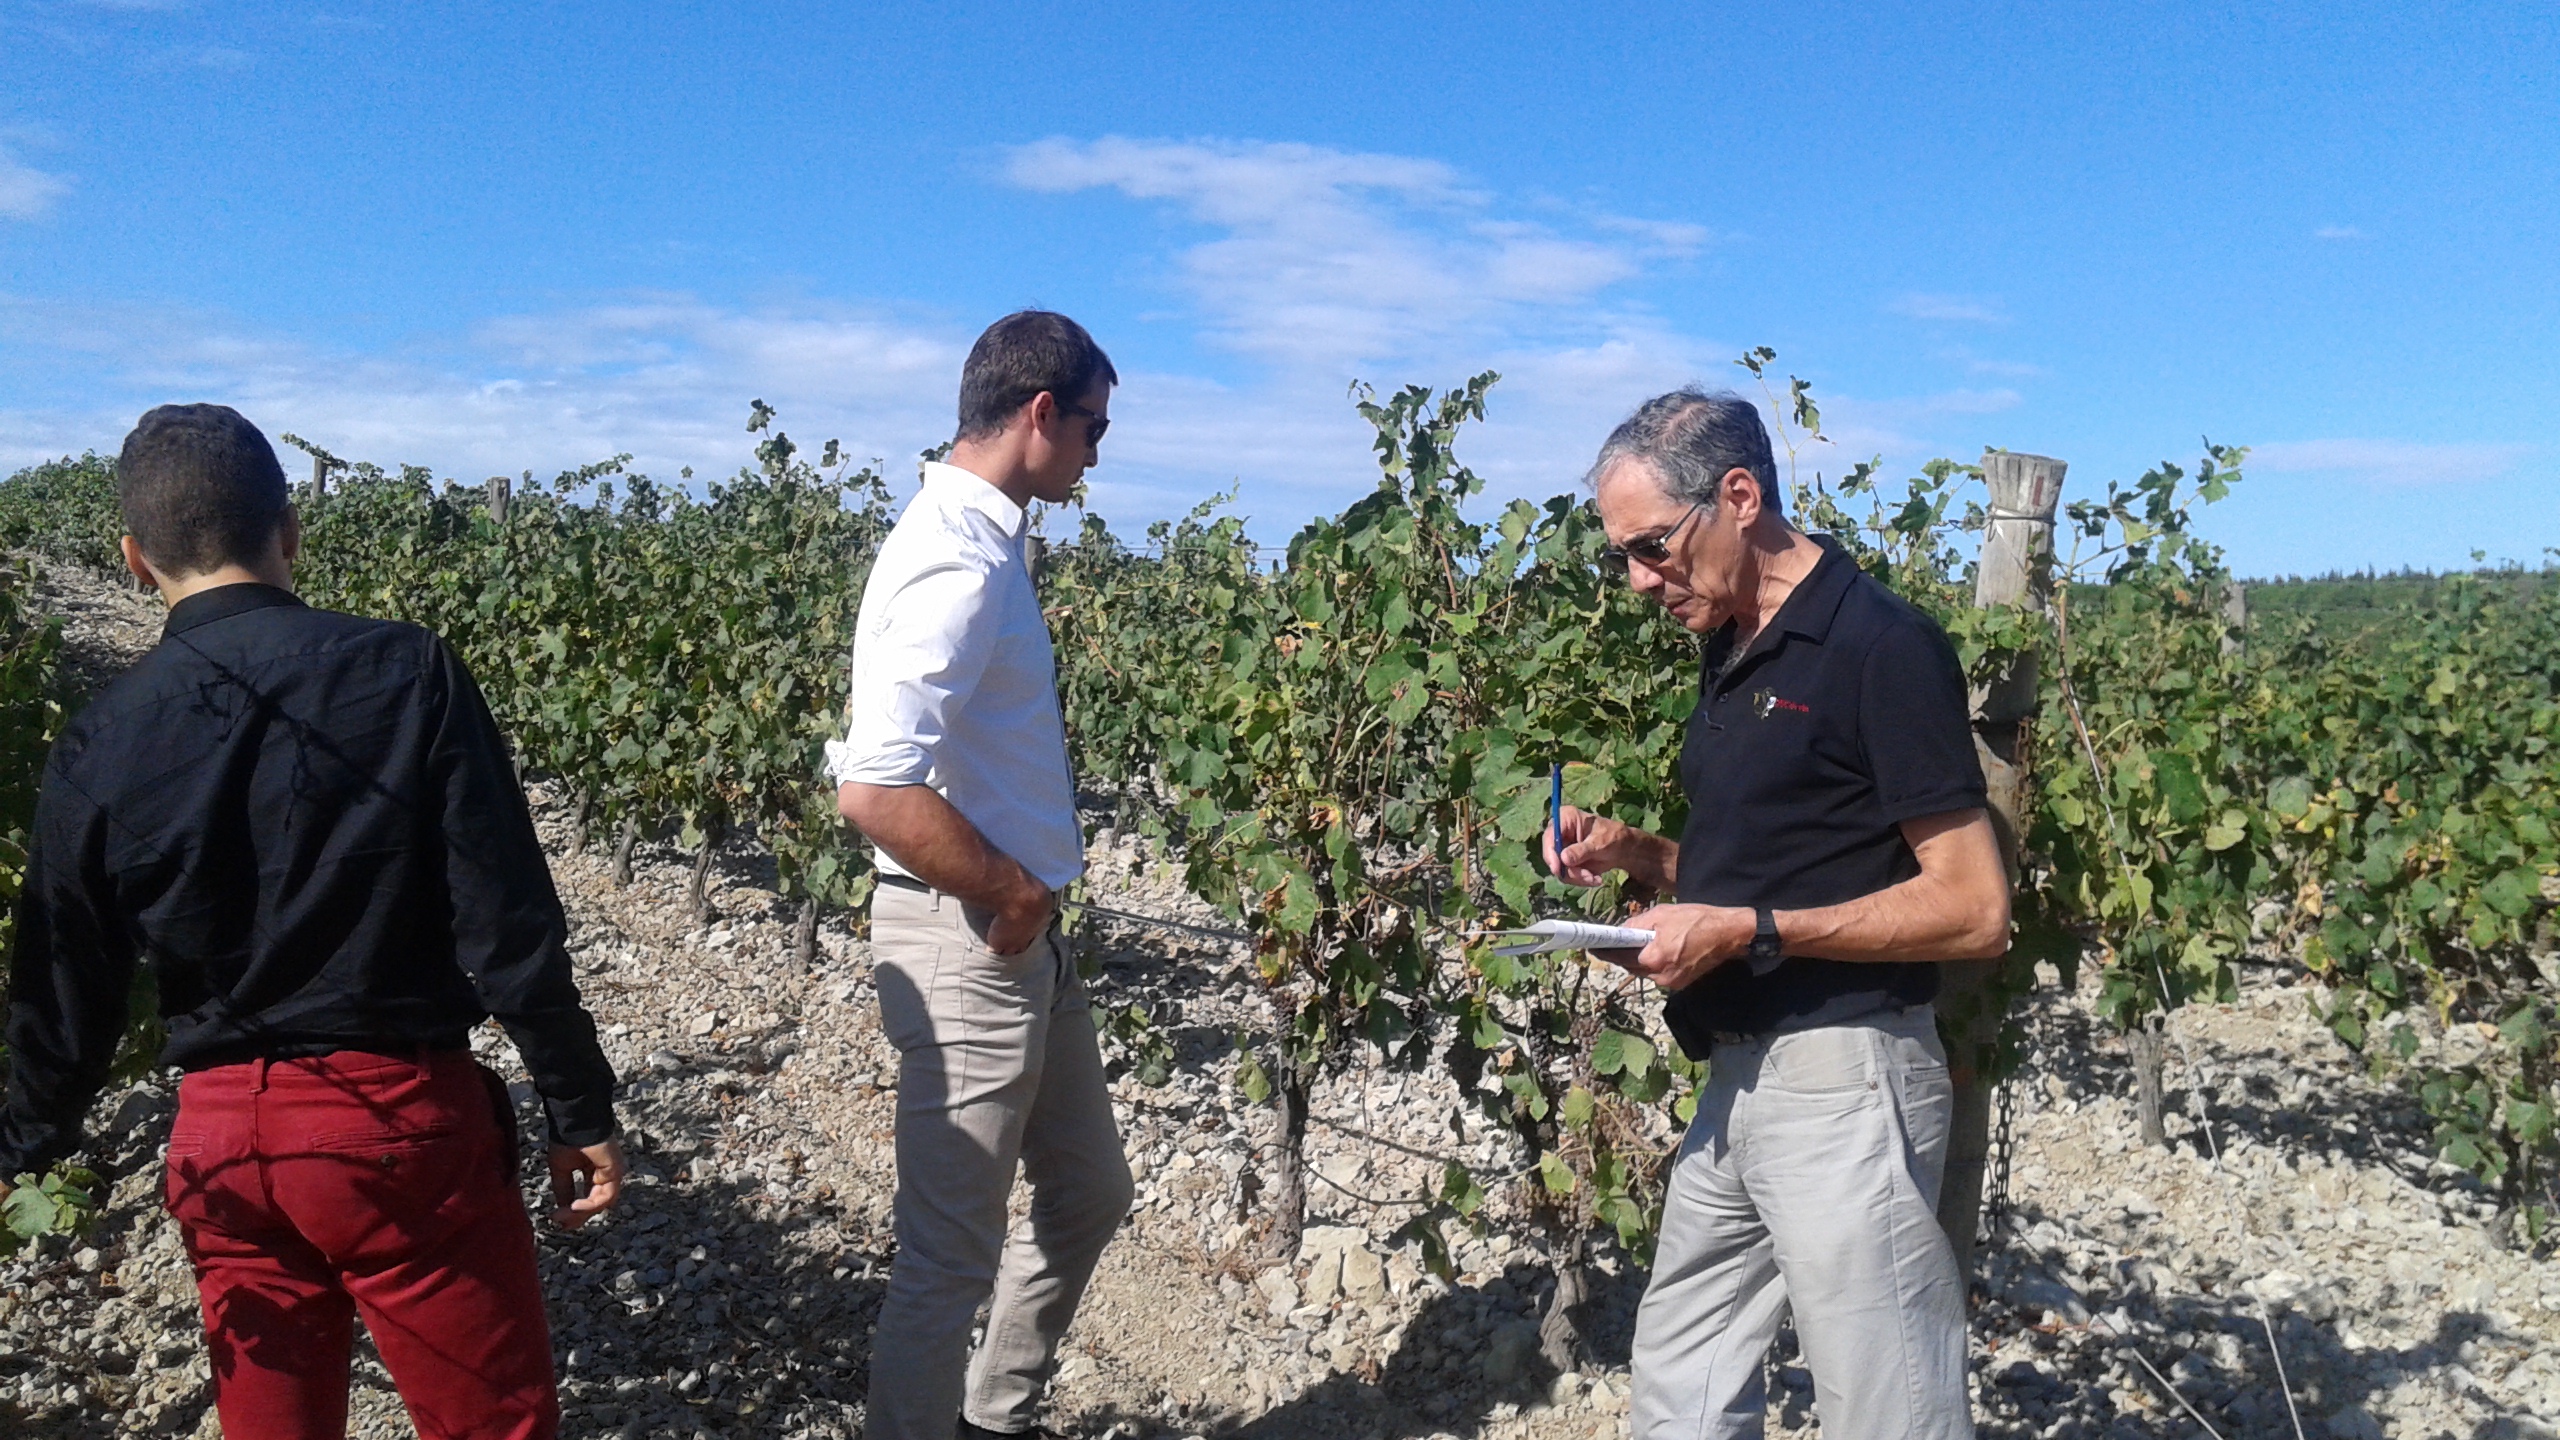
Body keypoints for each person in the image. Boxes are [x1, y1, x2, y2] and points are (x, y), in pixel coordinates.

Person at [0, 404, 624, 1440]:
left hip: (219, 1141)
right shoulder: (409, 671)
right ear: (291, 531)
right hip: (395, 1126)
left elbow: (66, 979)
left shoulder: (99, 737)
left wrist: (29, 1145)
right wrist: (578, 1106)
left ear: (130, 558)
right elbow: (505, 923)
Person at [1546, 390, 2010, 1440]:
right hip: (1739, 1075)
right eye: (1620, 555)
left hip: (1845, 1076)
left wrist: (1746, 932)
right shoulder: (1735, 640)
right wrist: (1646, 860)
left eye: (1652, 547)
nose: (1637, 580)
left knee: (1881, 1400)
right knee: (1681, 1377)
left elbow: (1975, 909)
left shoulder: (1878, 647)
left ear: (1740, 497)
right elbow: (1782, 868)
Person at [829, 311, 1134, 1440]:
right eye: (1094, 427)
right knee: (946, 1259)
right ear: (1040, 413)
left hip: (1017, 942)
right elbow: (875, 785)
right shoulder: (955, 558)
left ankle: (991, 1419)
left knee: (1090, 1193)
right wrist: (1008, 894)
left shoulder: (984, 538)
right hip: (974, 939)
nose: (1099, 453)